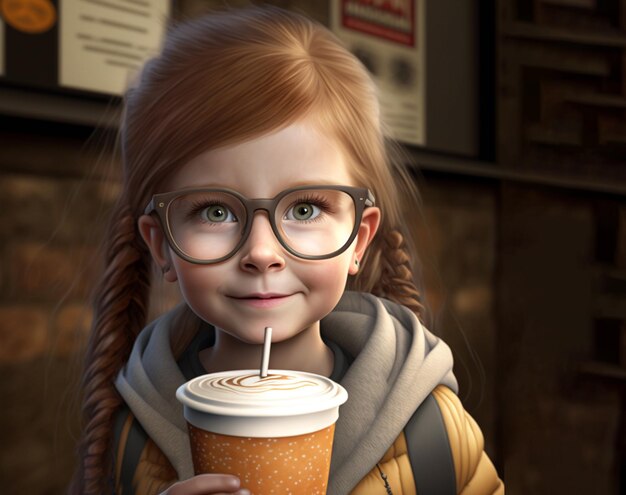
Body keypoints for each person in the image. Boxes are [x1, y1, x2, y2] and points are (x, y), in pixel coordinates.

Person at [69, 6, 504, 495]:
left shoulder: (432, 432)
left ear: (359, 238)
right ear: (162, 245)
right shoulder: (131, 434)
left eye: (304, 210)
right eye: (215, 212)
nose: (261, 252)